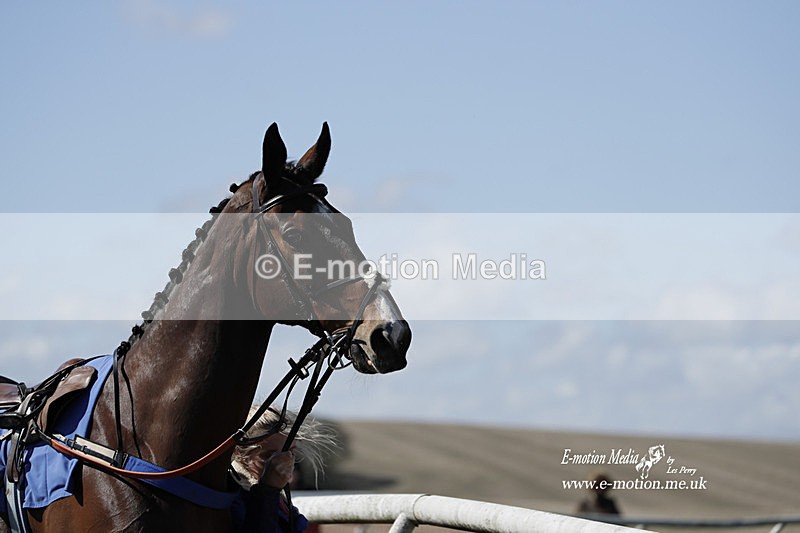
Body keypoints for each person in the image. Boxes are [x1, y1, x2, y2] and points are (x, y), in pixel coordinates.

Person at [229, 405, 337, 533]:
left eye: (289, 454)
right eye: (269, 456)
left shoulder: (282, 502)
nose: (281, 463)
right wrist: (268, 490)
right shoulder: (231, 498)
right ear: (240, 454)